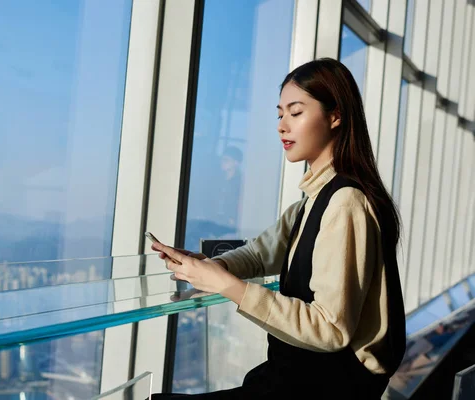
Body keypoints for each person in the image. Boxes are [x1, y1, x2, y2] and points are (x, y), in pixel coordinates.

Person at [151, 58, 406, 399]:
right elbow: (261, 252)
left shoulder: (345, 203)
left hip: (324, 387)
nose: (282, 126)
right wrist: (213, 266)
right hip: (299, 378)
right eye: (279, 114)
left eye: (296, 112)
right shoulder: (313, 200)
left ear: (335, 116)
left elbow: (330, 329)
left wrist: (225, 284)